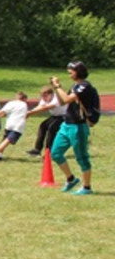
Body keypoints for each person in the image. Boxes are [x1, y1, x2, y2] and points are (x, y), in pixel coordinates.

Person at [49, 60, 99, 196]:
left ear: (79, 71)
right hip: (66, 124)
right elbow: (62, 101)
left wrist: (58, 86)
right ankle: (71, 179)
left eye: (71, 70)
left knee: (81, 157)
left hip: (78, 126)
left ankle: (87, 187)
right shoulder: (75, 86)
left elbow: (66, 100)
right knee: (56, 153)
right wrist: (56, 88)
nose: (69, 73)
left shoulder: (84, 86)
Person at [0, 91, 31, 161]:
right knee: (6, 141)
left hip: (9, 124)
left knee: (4, 140)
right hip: (18, 126)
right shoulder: (24, 104)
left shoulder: (11, 103)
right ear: (24, 99)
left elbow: (1, 113)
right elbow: (26, 116)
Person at [25, 86, 67, 157]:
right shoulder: (44, 98)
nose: (44, 98)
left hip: (64, 116)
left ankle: (49, 151)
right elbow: (40, 106)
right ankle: (37, 149)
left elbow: (46, 107)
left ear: (51, 94)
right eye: (42, 96)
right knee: (43, 126)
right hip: (55, 116)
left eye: (45, 96)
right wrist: (31, 112)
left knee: (52, 128)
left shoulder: (56, 98)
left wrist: (30, 113)